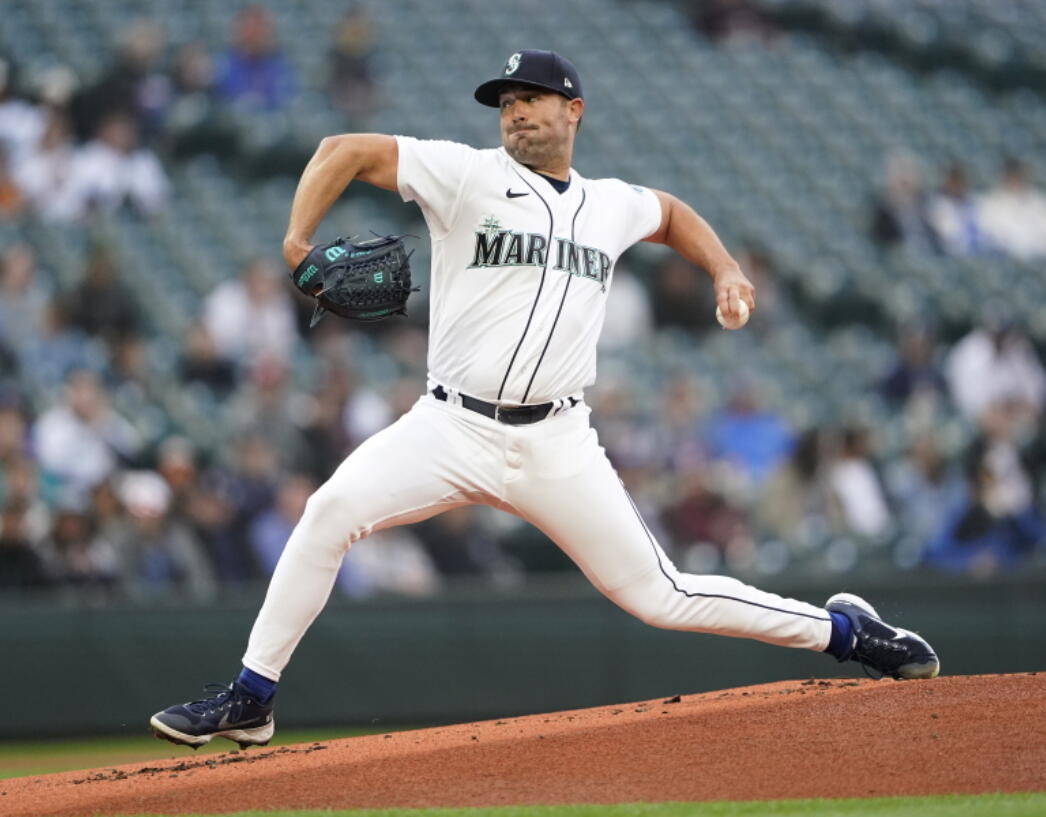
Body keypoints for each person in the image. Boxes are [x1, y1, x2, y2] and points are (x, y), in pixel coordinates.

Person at [149, 50, 940, 749]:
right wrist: (296, 241)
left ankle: (847, 632)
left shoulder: (609, 203)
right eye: (505, 100)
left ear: (574, 111)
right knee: (328, 511)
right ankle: (251, 697)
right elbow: (342, 149)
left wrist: (725, 268)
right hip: (450, 423)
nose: (515, 109)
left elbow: (668, 213)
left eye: (530, 95)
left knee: (660, 595)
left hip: (559, 442)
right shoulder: (465, 174)